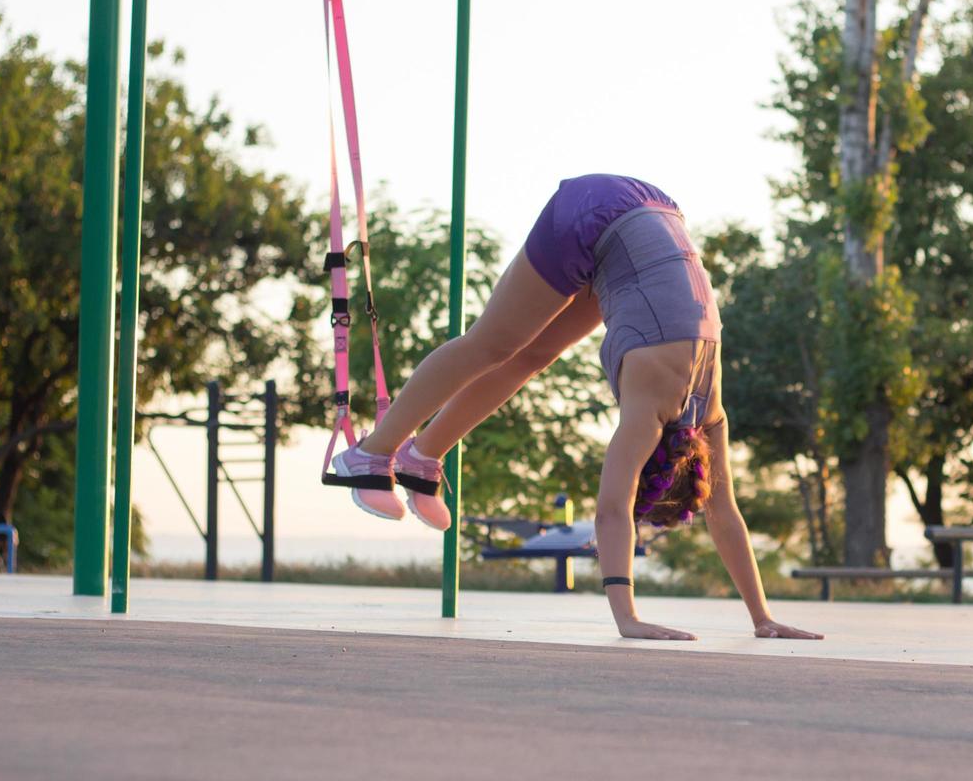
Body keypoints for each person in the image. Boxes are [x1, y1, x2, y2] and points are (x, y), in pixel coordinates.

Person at [329, 174, 823, 643]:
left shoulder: (709, 413)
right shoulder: (647, 412)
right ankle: (372, 454)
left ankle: (423, 457)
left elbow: (724, 510)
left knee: (533, 356)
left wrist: (764, 618)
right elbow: (612, 511)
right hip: (592, 214)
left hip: (652, 217)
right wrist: (627, 617)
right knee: (493, 343)